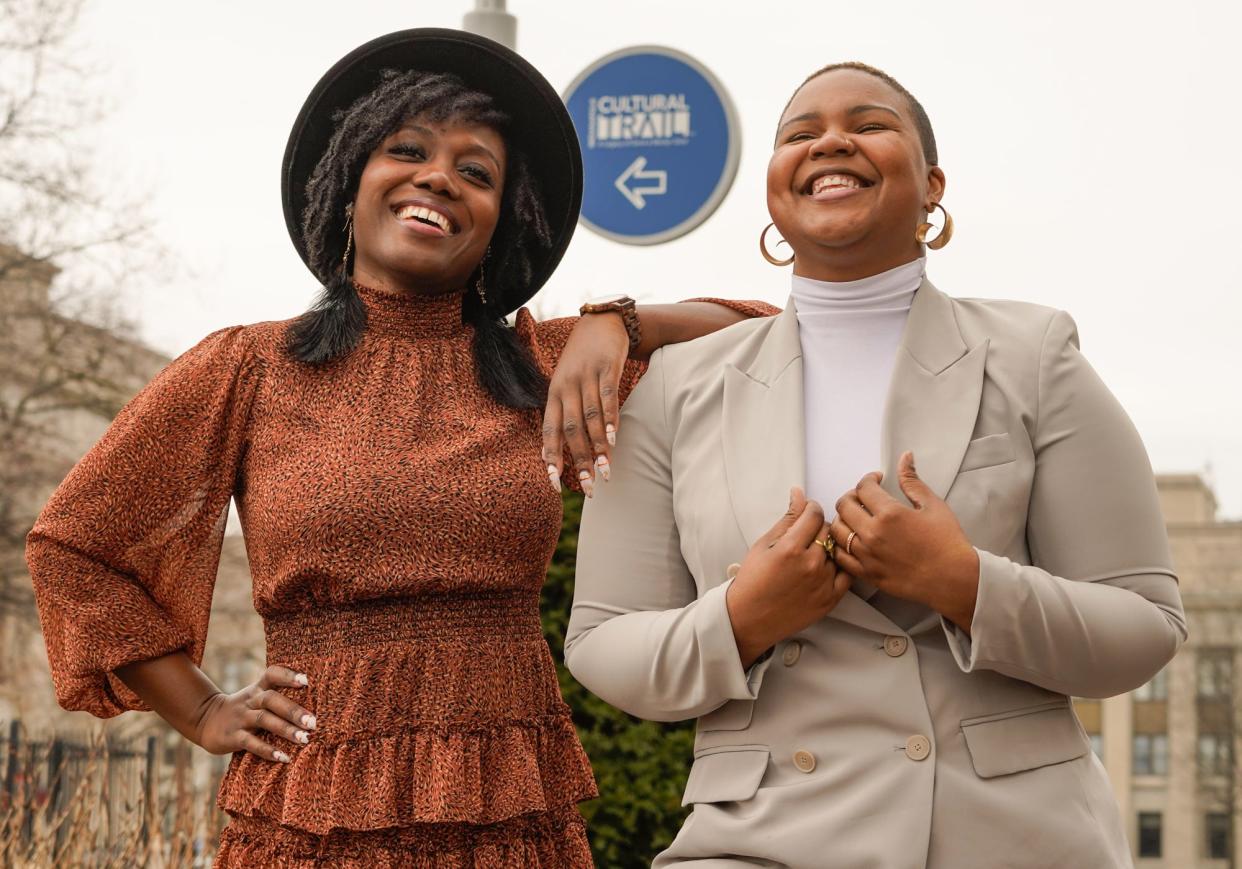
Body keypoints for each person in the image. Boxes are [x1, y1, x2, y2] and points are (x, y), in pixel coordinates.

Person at [24, 29, 773, 866]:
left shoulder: (546, 365)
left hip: (506, 810)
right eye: (407, 149)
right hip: (312, 808)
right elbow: (73, 543)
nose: (438, 178)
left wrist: (622, 320)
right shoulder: (248, 367)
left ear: (500, 227)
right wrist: (201, 709)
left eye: (476, 172)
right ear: (351, 186)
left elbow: (771, 334)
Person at [564, 61, 1186, 868]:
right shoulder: (674, 388)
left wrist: (965, 581)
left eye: (869, 123)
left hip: (1010, 835)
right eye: (800, 133)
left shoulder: (1034, 355)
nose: (831, 140)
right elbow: (600, 640)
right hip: (757, 836)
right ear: (774, 192)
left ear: (932, 185)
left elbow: (1144, 623)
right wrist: (742, 617)